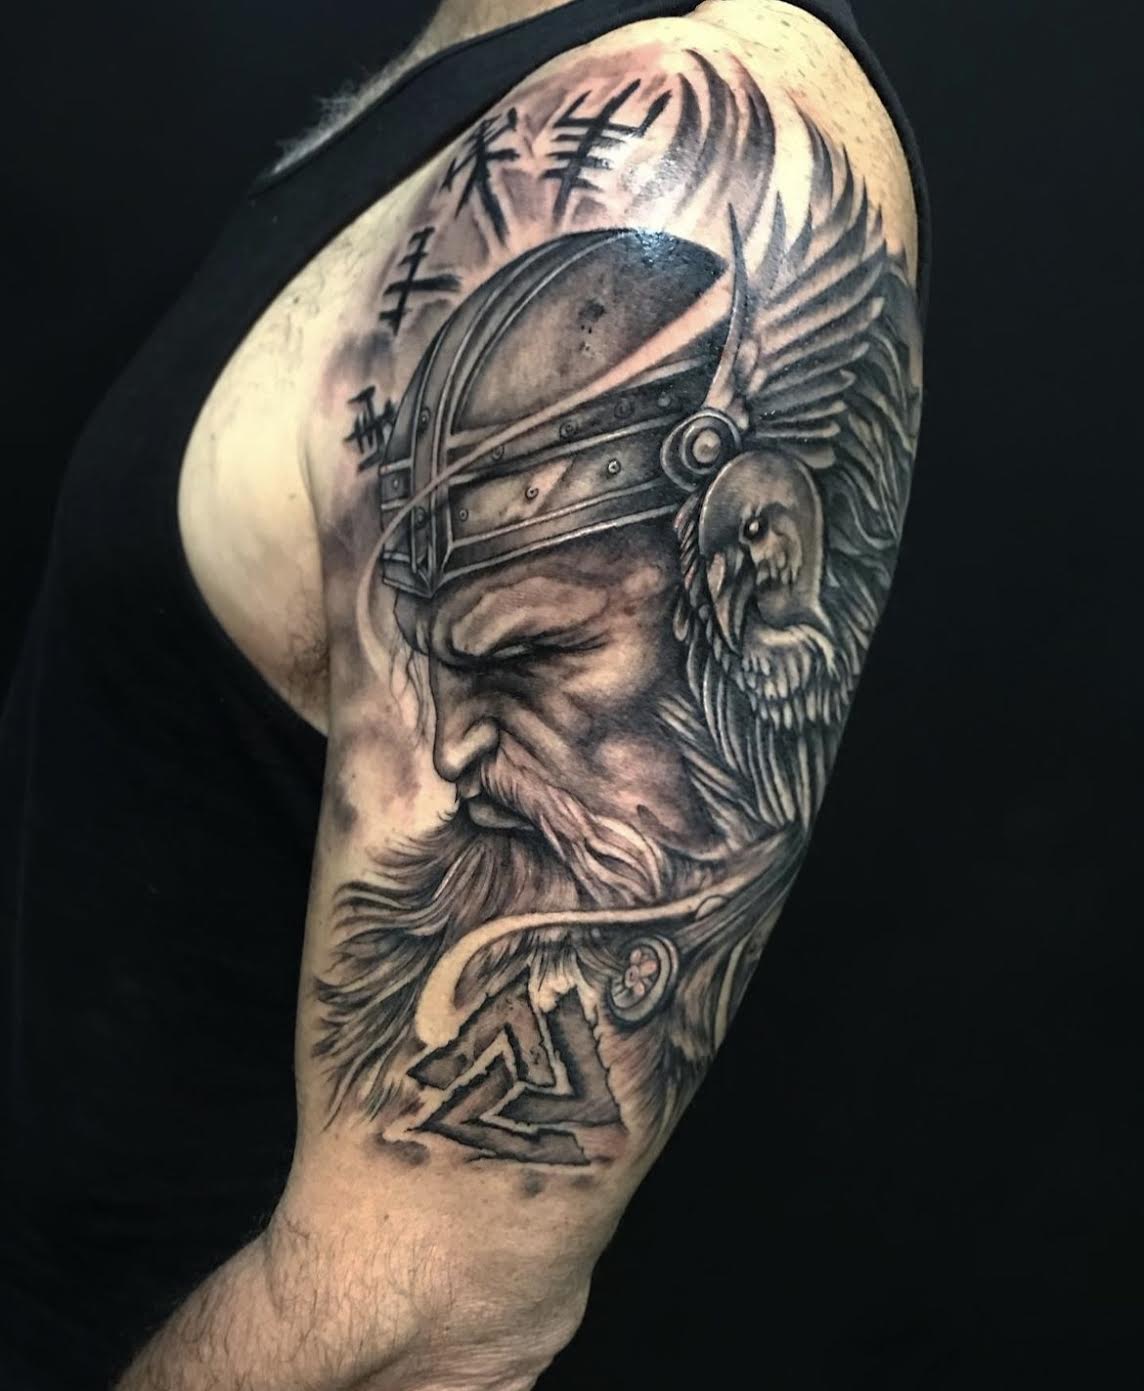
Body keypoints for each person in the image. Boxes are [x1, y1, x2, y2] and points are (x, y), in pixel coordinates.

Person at [1, 2, 928, 1387]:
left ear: (756, 551)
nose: (440, 747)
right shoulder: (486, 71)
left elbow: (415, 1327)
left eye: (526, 654)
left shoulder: (677, 167)